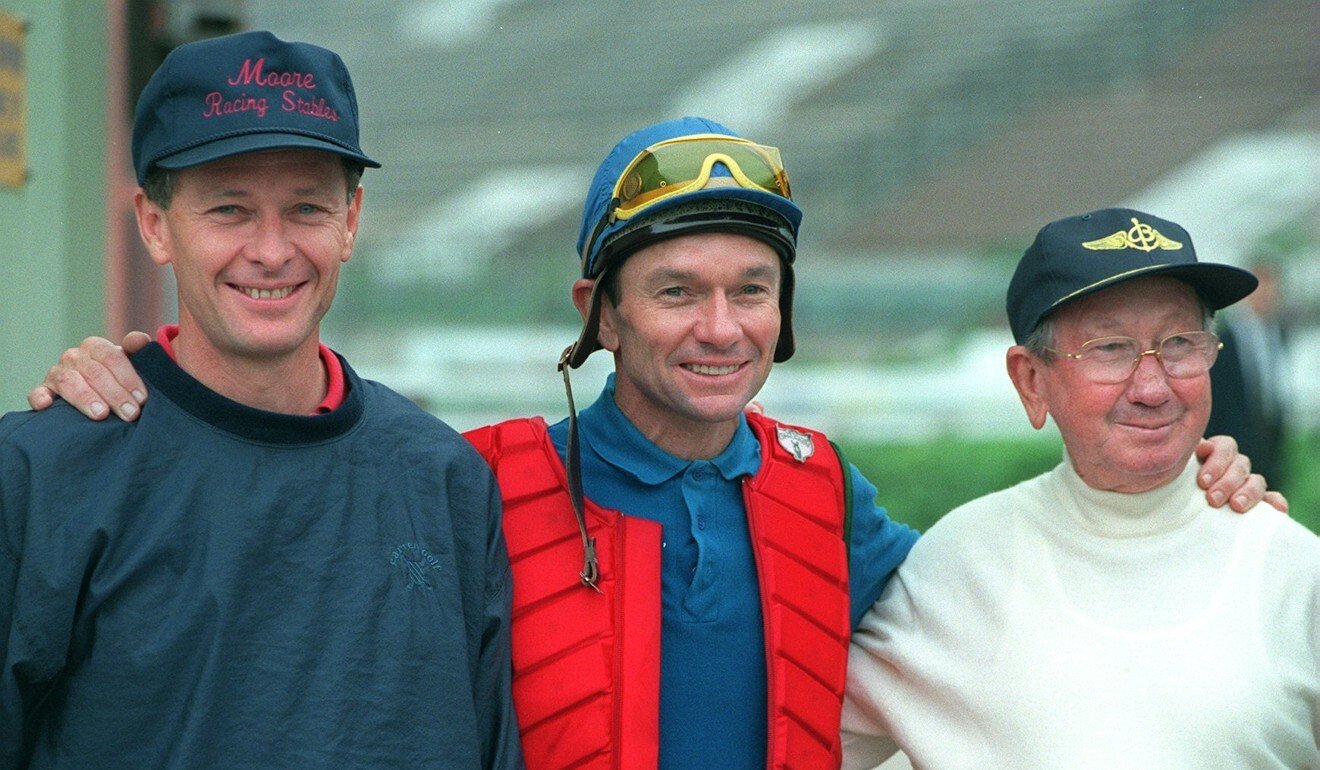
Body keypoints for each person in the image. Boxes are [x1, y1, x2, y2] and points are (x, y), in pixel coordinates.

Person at [25, 123, 1274, 769]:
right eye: (674, 290)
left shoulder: (824, 491)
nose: (720, 326)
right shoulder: (469, 478)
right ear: (600, 313)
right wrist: (132, 381)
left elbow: (1032, 585)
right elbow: (278, 505)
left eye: (751, 287)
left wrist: (1190, 499)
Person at [0, 31, 522, 768]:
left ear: (351, 219)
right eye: (230, 210)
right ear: (155, 225)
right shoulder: (43, 472)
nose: (272, 250)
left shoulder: (444, 480)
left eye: (306, 208)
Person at [841, 208, 1318, 769]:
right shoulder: (958, 567)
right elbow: (786, 743)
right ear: (1031, 381)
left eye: (1181, 342)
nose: (1151, 385)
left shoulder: (1292, 568)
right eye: (1109, 348)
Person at [1206, 261, 1293, 488]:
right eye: (1262, 287)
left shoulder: (1278, 333)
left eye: (1272, 288)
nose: (1267, 295)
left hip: (1271, 440)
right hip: (1234, 440)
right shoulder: (1225, 337)